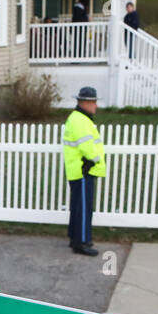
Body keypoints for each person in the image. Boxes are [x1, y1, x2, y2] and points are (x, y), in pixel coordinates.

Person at [63, 86, 107, 256]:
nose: (96, 105)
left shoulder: (77, 118)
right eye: (94, 102)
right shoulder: (80, 120)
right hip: (84, 170)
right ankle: (81, 242)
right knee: (83, 207)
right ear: (85, 103)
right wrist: (96, 161)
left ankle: (75, 238)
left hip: (78, 170)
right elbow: (87, 147)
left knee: (78, 206)